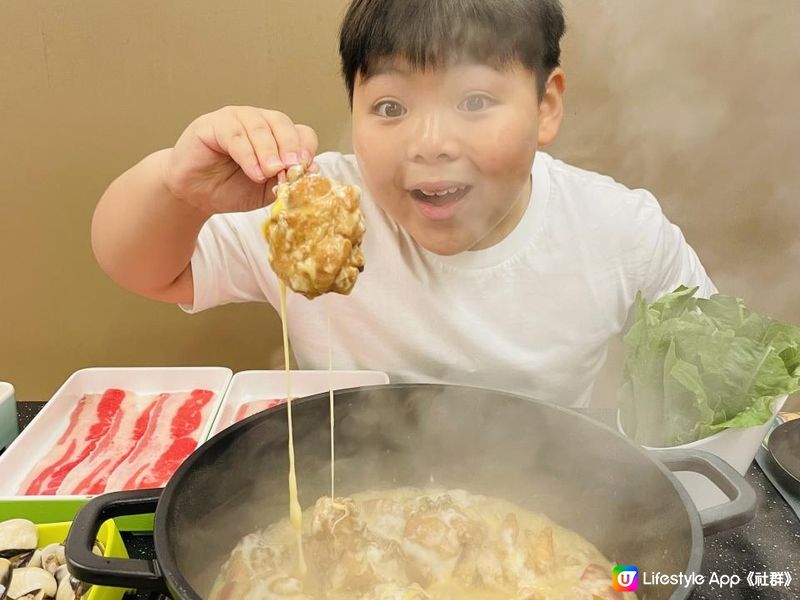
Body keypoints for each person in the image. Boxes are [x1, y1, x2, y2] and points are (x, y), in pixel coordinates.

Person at [91, 0, 716, 408]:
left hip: (543, 499)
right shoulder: (314, 213)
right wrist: (179, 184)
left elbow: (716, 375)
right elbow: (147, 271)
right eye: (390, 108)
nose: (430, 143)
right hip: (347, 488)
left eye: (474, 102)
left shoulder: (617, 231)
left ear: (546, 105)